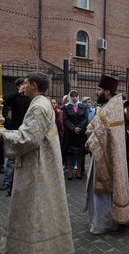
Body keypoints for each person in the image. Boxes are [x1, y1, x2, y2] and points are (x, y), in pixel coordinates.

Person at [0, 72, 74, 253]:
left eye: (25, 83)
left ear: (33, 85)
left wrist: (3, 134)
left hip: (38, 166)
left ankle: (36, 246)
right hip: (42, 162)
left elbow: (28, 138)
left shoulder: (38, 107)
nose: (22, 86)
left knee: (34, 206)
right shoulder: (42, 102)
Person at [85, 74, 129, 235]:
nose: (96, 92)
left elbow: (100, 132)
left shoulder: (110, 109)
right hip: (107, 153)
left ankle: (104, 223)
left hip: (105, 155)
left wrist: (89, 139)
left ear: (107, 91)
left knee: (103, 190)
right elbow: (96, 126)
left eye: (98, 89)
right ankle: (110, 220)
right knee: (107, 188)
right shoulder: (110, 106)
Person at [0, 78, 31, 196]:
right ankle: (8, 181)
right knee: (12, 158)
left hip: (27, 130)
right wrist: (8, 124)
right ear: (18, 86)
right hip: (16, 130)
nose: (25, 86)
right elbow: (4, 102)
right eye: (23, 84)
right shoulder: (15, 97)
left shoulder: (30, 97)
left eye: (26, 84)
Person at [63, 90, 88, 180]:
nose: (74, 98)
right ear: (70, 97)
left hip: (80, 133)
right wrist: (73, 128)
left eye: (76, 96)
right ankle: (70, 172)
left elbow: (85, 119)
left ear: (78, 96)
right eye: (72, 96)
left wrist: (79, 128)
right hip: (70, 133)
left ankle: (78, 172)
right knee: (69, 153)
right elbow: (65, 119)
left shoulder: (84, 106)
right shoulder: (66, 107)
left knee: (80, 153)